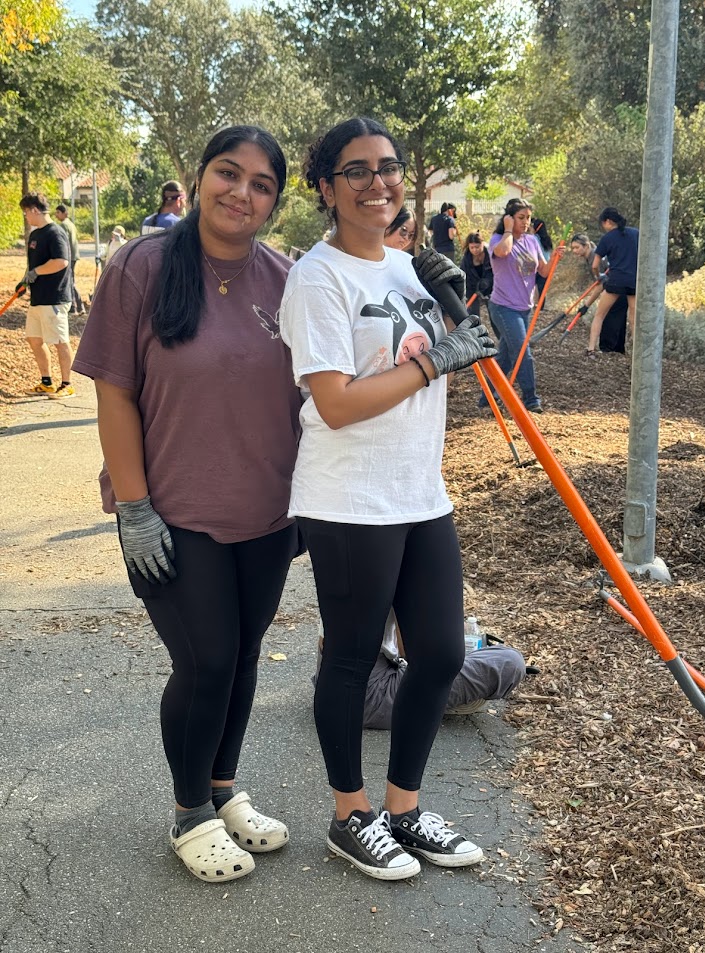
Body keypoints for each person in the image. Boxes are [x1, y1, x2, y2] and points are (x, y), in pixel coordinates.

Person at [73, 126, 302, 884]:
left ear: (275, 200)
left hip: (268, 513)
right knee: (204, 660)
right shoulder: (141, 266)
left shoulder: (285, 278)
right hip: (172, 512)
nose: (241, 192)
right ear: (198, 178)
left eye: (261, 183)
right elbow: (114, 392)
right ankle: (188, 813)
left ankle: (223, 789)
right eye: (227, 174)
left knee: (240, 657)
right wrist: (133, 506)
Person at [280, 116, 497, 881]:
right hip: (346, 496)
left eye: (388, 167)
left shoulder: (407, 268)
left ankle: (404, 810)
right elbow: (335, 402)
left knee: (437, 651)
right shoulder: (316, 277)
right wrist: (438, 360)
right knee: (348, 657)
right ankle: (350, 815)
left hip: (418, 489)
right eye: (357, 171)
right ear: (325, 188)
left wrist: (459, 303)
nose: (378, 182)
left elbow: (462, 344)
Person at [314, 609, 526, 729]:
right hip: (371, 696)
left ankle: (435, 700)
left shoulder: (344, 542)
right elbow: (413, 650)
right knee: (509, 661)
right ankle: (437, 703)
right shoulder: (395, 560)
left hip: (331, 685)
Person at [479, 198, 563, 415]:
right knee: (523, 353)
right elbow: (503, 253)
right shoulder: (498, 239)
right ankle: (531, 399)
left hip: (525, 307)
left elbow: (543, 272)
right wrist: (508, 230)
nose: (526, 222)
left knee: (506, 357)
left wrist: (555, 258)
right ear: (509, 218)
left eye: (528, 218)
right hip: (503, 307)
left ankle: (486, 396)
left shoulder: (532, 241)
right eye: (520, 218)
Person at [17, 192, 75, 399]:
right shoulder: (35, 234)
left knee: (60, 341)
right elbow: (34, 265)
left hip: (55, 297)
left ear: (34, 210)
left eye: (26, 212)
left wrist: (36, 272)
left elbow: (61, 262)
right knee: (34, 339)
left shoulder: (55, 233)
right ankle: (46, 382)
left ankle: (67, 384)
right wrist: (25, 280)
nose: (26, 217)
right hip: (37, 298)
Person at [586, 207, 639, 358]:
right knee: (634, 320)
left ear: (608, 222)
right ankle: (637, 354)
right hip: (633, 281)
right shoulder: (635, 233)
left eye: (603, 224)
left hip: (615, 281)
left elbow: (595, 265)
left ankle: (591, 349)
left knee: (599, 315)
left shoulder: (607, 238)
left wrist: (599, 276)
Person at [570, 233, 626, 354]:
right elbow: (599, 284)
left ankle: (608, 350)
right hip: (616, 287)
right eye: (573, 248)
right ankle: (617, 351)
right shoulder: (590, 257)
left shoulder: (596, 257)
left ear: (586, 246)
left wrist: (586, 305)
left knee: (609, 318)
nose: (574, 251)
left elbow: (600, 285)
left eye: (577, 247)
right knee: (617, 319)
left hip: (617, 288)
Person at [55, 203, 85, 315]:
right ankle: (79, 306)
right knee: (71, 281)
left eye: (58, 212)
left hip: (68, 256)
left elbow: (63, 243)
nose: (56, 215)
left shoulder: (63, 226)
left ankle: (74, 307)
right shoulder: (71, 224)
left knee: (69, 282)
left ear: (64, 213)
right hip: (73, 256)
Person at [460, 232, 493, 320]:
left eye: (477, 247)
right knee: (473, 315)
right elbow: (463, 278)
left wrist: (488, 281)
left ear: (482, 244)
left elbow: (496, 272)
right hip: (472, 288)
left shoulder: (490, 255)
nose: (475, 250)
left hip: (491, 287)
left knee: (494, 313)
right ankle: (476, 332)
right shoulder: (466, 260)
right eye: (472, 247)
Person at [531, 215, 553, 308]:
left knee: (532, 286)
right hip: (547, 266)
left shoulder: (534, 238)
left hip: (537, 265)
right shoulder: (547, 239)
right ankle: (541, 307)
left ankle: (534, 305)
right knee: (542, 289)